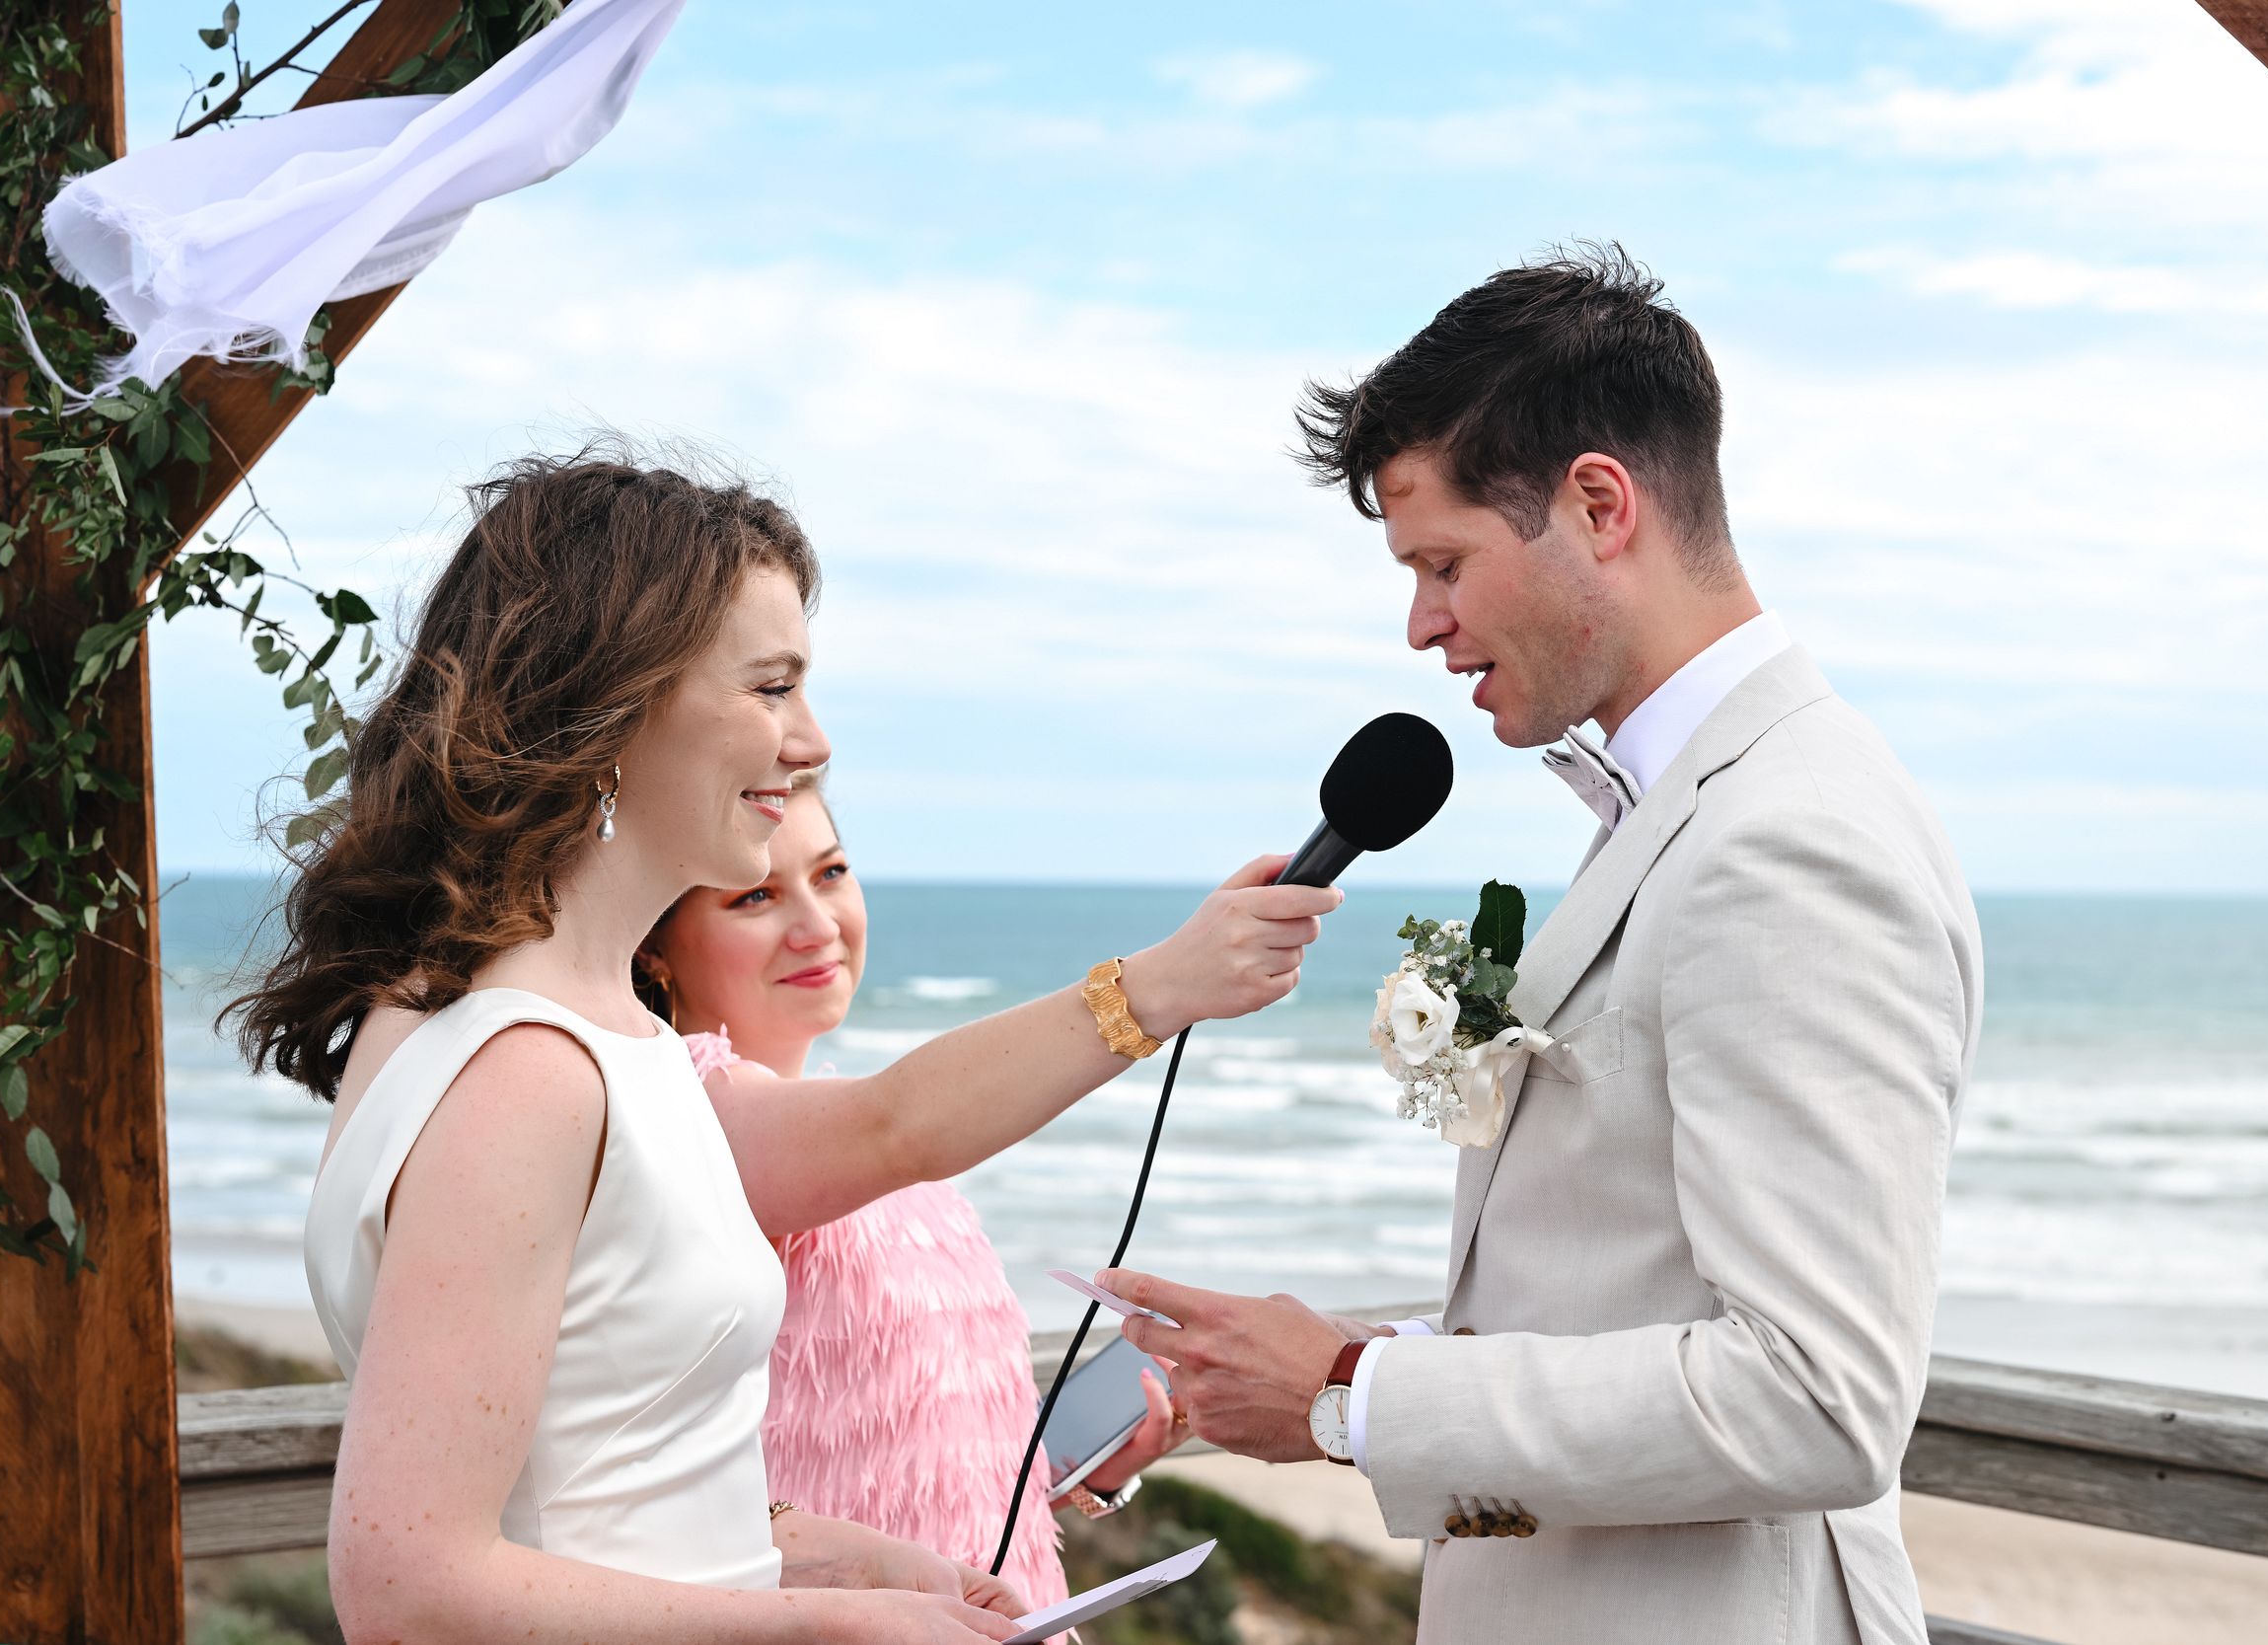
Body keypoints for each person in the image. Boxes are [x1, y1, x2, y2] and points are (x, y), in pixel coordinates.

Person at [236, 449, 1339, 1645]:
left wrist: (841, 1561)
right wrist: (829, 1629)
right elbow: (410, 1589)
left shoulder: (529, 1024)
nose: (810, 742)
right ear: (615, 702)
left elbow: (610, 1480)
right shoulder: (526, 1069)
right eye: (771, 687)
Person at [1106, 248, 1983, 1645]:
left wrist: (1352, 1392)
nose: (1420, 624)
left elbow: (1819, 1396)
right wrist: (1356, 1370)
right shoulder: (1687, 801)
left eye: (1442, 561)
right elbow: (1623, 1286)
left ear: (1598, 503)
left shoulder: (1789, 837)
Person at [636, 779, 1182, 1623]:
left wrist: (1088, 1469)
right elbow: (898, 1121)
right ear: (655, 945)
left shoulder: (850, 1128)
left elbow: (917, 1451)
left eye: (831, 872)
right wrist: (1160, 985)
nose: (818, 924)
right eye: (755, 895)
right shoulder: (694, 1112)